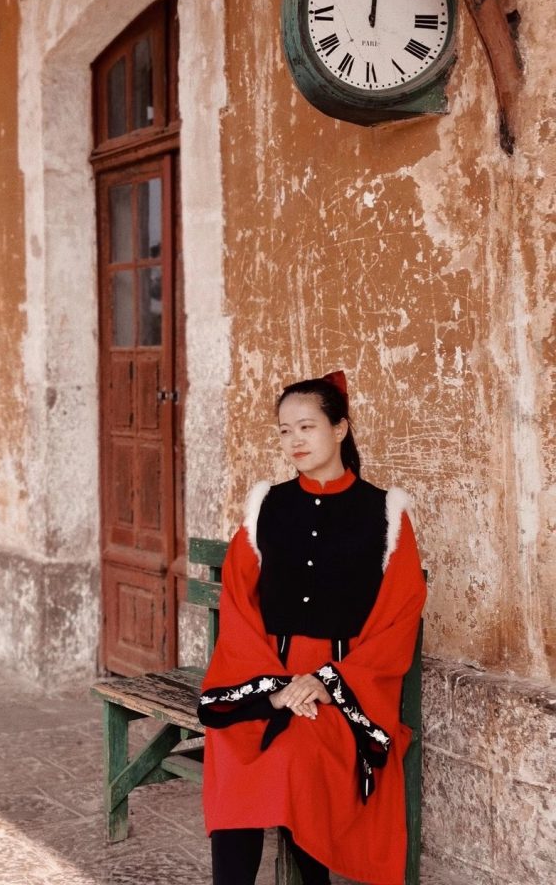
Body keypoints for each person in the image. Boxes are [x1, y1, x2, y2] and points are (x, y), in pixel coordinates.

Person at [197, 371, 427, 885]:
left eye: (307, 427)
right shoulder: (266, 506)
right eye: (284, 430)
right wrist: (275, 691)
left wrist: (326, 683)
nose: (294, 440)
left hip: (347, 687)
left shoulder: (385, 513)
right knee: (231, 746)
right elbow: (238, 603)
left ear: (340, 429)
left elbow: (398, 618)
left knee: (295, 756)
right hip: (264, 674)